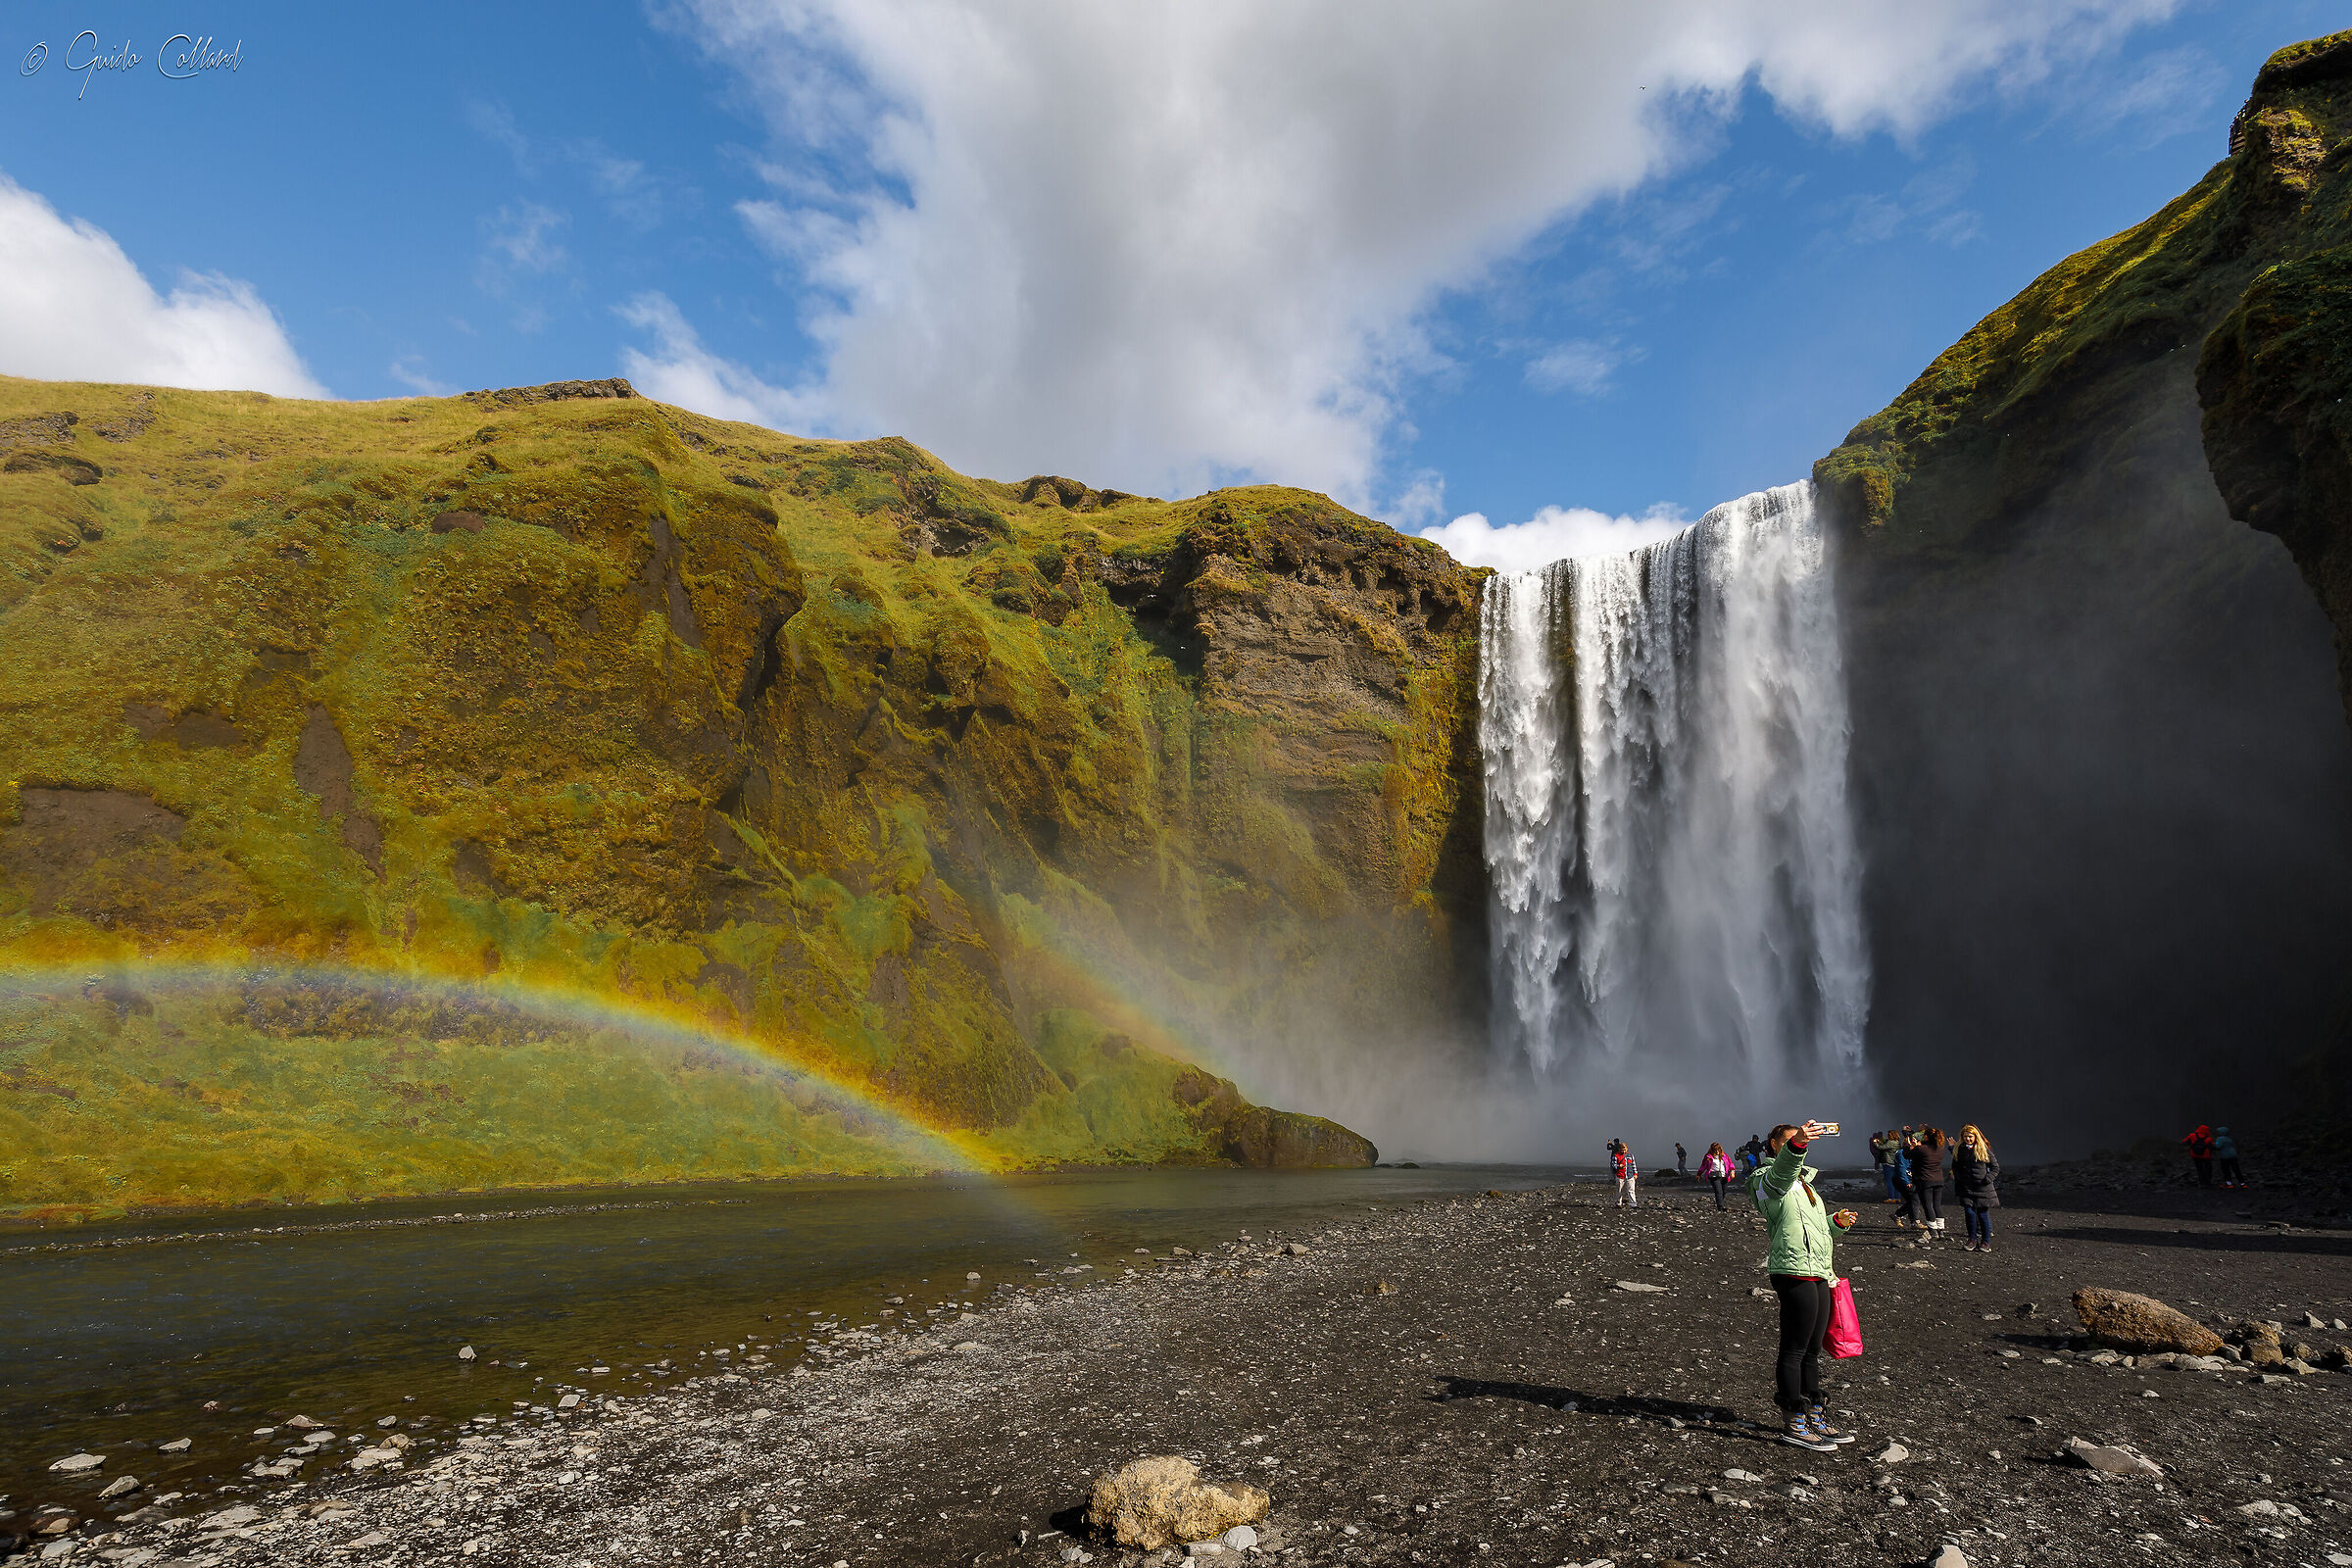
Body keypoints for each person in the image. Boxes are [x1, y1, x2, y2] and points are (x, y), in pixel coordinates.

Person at [1747, 1120, 1860, 1450]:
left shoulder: (1807, 1186)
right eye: (1789, 1140)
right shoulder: (1763, 1181)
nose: (1796, 1143)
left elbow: (1812, 1231)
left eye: (1799, 1139)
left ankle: (1815, 1416)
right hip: (1792, 1270)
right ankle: (1793, 1421)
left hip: (1820, 1271)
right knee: (1794, 1348)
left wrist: (1835, 1224)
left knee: (1812, 1350)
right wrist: (1798, 1146)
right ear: (1773, 1145)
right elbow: (1779, 1177)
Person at [1952, 1123, 1999, 1251]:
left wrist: (1987, 1179)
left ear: (1975, 1136)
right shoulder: (1959, 1149)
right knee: (1969, 1213)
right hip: (1966, 1188)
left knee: (1983, 1215)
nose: (1968, 1138)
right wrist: (1959, 1178)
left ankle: (1985, 1241)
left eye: (1970, 1136)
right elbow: (1955, 1167)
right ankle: (1972, 1239)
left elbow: (1995, 1168)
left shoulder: (1983, 1149)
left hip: (1983, 1188)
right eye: (1966, 1136)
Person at [1908, 1128, 1948, 1238]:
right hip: (1938, 1179)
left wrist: (1912, 1146)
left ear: (1927, 1137)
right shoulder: (1941, 1149)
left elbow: (1907, 1155)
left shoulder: (1922, 1149)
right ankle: (1941, 1229)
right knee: (1937, 1205)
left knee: (1928, 1205)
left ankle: (1932, 1229)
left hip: (1925, 1180)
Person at [1873, 1129, 1906, 1202]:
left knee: (1890, 1181)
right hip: (1895, 1163)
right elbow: (1886, 1146)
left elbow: (1880, 1148)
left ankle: (1891, 1198)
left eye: (1889, 1135)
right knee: (1897, 1181)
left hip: (1889, 1164)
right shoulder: (1897, 1142)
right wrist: (1880, 1142)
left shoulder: (1891, 1142)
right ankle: (1897, 1198)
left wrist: (1875, 1143)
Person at [1700, 1141, 1734, 1210]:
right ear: (1712, 1150)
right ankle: (1720, 1207)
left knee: (1724, 1192)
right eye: (1716, 1149)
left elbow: (1730, 1164)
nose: (1718, 1151)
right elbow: (1703, 1166)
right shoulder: (1708, 1157)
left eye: (1719, 1149)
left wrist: (1732, 1171)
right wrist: (1699, 1174)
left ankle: (1720, 1203)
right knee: (1718, 1191)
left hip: (1725, 1176)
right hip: (1714, 1177)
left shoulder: (1724, 1156)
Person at [2180, 1124, 2216, 1188]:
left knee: (2199, 1169)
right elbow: (2212, 1148)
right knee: (2208, 1169)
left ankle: (2201, 1182)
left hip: (2195, 1155)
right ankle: (2208, 1183)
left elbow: (2184, 1143)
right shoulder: (2209, 1139)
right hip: (2206, 1156)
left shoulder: (2192, 1136)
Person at [1609, 1139, 1639, 1208]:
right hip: (1620, 1176)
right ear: (1619, 1149)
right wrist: (1619, 1166)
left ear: (1627, 1149)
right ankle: (1618, 1203)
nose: (1624, 1151)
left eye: (1625, 1150)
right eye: (1622, 1150)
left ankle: (1633, 1204)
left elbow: (1633, 1165)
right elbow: (1613, 1165)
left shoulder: (1630, 1156)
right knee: (1619, 1190)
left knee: (1631, 1190)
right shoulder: (1616, 1156)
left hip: (1629, 1175)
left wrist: (1635, 1173)